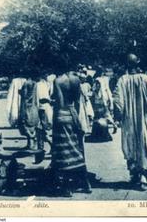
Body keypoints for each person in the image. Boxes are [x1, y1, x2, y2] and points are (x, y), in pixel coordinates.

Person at [113, 54, 147, 191]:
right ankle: (143, 177)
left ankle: (136, 174)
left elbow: (118, 103)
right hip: (145, 118)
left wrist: (119, 118)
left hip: (129, 119)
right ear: (138, 63)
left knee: (131, 145)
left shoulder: (122, 80)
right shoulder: (144, 78)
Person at [51, 64, 91, 197]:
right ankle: (86, 183)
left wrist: (51, 101)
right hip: (74, 114)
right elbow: (77, 101)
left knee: (64, 152)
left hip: (62, 116)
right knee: (77, 149)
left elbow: (60, 102)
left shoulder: (58, 80)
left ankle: (67, 187)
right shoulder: (76, 79)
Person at [18, 75, 40, 150]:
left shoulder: (26, 83)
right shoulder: (35, 83)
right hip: (34, 106)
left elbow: (25, 95)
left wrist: (20, 92)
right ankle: (31, 143)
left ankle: (31, 144)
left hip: (26, 106)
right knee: (33, 125)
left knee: (25, 124)